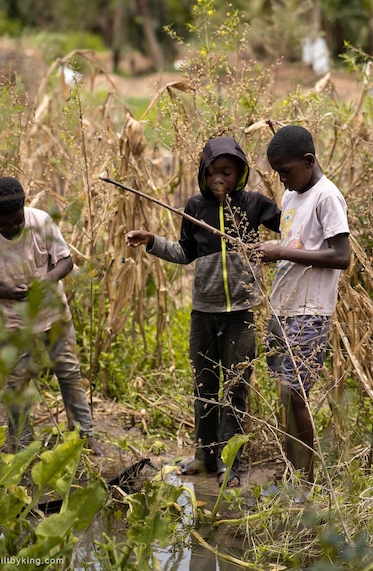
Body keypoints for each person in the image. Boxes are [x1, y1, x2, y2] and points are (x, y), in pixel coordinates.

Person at [125, 136, 281, 487]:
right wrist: (152, 241)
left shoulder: (255, 204)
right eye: (211, 174)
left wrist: (272, 249)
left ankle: (232, 462)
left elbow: (292, 230)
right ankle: (205, 458)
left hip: (243, 312)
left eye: (226, 172)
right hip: (204, 313)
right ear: (202, 175)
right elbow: (184, 252)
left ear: (240, 171)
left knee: (236, 387)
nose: (218, 180)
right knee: (205, 386)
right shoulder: (195, 207)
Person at [0, 176, 103, 456]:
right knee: (16, 384)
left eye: (17, 221)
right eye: (5, 225)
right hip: (15, 324)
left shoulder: (41, 222)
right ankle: (20, 443)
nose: (14, 228)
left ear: (24, 208)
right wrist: (8, 292)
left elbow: (66, 261)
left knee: (69, 373)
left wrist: (47, 281)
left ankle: (84, 435)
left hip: (54, 316)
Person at [253, 125, 350, 483]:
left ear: (308, 161)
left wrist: (279, 250)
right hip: (284, 306)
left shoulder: (327, 196)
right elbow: (296, 244)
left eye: (286, 172)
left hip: (310, 311)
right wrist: (271, 253)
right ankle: (293, 469)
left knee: (295, 394)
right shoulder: (293, 196)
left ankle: (305, 483)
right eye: (277, 173)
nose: (281, 181)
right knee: (284, 392)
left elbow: (342, 256)